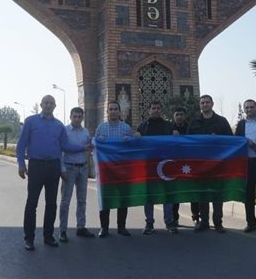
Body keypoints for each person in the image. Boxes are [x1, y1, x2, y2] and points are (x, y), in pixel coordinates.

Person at [17, 95, 83, 251]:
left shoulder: (59, 125)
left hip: (53, 167)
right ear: (41, 105)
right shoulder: (31, 121)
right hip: (36, 166)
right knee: (31, 203)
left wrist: (83, 147)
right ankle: (29, 238)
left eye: (51, 103)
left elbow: (65, 146)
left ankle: (48, 236)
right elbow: (21, 145)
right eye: (45, 103)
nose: (48, 105)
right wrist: (21, 164)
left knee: (51, 203)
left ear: (55, 106)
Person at [187, 94, 233, 233]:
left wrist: (218, 139)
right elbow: (188, 142)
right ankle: (204, 222)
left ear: (212, 104)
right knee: (203, 194)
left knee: (217, 194)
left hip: (217, 164)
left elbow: (230, 140)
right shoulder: (194, 122)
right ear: (200, 105)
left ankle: (218, 223)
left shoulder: (222, 121)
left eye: (207, 102)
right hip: (200, 165)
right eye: (202, 102)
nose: (205, 104)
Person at [95, 101, 139, 238]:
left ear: (119, 112)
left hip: (122, 169)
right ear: (107, 112)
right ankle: (104, 228)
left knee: (122, 199)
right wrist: (98, 141)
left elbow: (133, 148)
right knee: (106, 198)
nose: (113, 111)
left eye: (115, 109)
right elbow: (94, 148)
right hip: (106, 170)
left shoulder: (126, 128)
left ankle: (121, 227)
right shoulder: (101, 128)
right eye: (111, 109)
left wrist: (131, 140)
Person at [137, 101, 177, 234]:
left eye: (158, 108)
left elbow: (176, 144)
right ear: (149, 110)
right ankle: (149, 223)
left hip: (166, 165)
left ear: (161, 110)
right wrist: (135, 137)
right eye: (153, 108)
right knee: (149, 195)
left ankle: (169, 222)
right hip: (149, 166)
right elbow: (136, 147)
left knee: (167, 195)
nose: (155, 110)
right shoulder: (142, 126)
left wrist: (177, 136)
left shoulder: (169, 126)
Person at [58, 107, 95, 243]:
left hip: (83, 168)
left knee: (82, 200)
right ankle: (62, 230)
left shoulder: (85, 132)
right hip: (69, 168)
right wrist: (61, 169)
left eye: (80, 116)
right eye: (75, 116)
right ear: (70, 116)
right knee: (65, 201)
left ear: (82, 118)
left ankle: (81, 227)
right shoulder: (65, 131)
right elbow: (61, 150)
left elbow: (90, 148)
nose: (77, 119)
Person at [234, 99, 256, 233]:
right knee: (248, 196)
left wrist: (253, 145)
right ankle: (251, 223)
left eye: (251, 107)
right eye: (246, 108)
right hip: (245, 164)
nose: (249, 110)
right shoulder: (241, 124)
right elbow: (236, 141)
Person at [171, 107, 190, 225]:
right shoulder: (168, 128)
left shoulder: (191, 127)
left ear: (185, 115)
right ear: (173, 116)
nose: (179, 117)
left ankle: (196, 216)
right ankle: (174, 217)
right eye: (177, 114)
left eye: (181, 114)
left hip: (190, 163)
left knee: (192, 190)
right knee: (175, 193)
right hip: (174, 164)